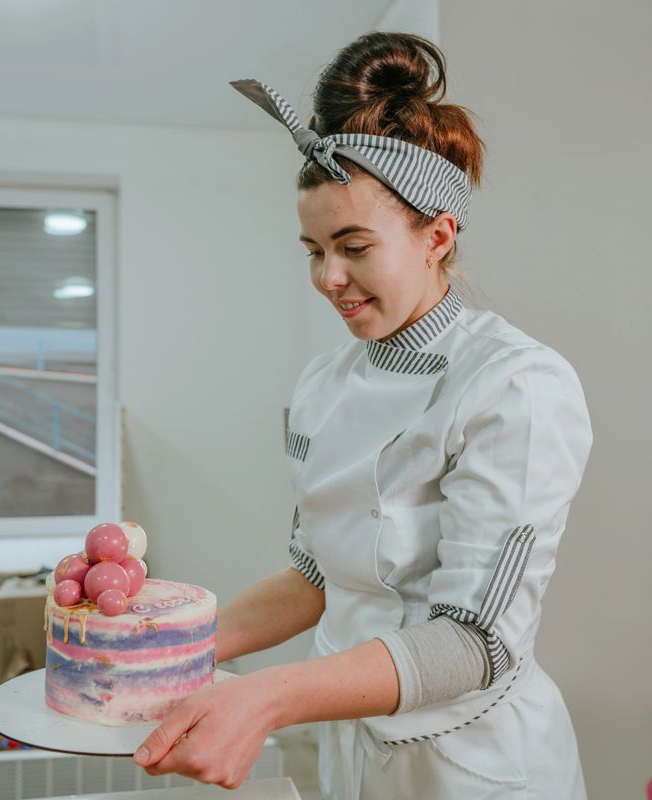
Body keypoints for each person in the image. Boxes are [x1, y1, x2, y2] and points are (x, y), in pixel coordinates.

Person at [132, 32, 593, 799]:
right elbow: (315, 575)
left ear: (437, 235)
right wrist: (172, 646)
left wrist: (266, 694)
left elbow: (476, 642)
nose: (329, 278)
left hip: (474, 763)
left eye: (353, 246)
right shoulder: (323, 384)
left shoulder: (518, 386)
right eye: (313, 250)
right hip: (355, 752)